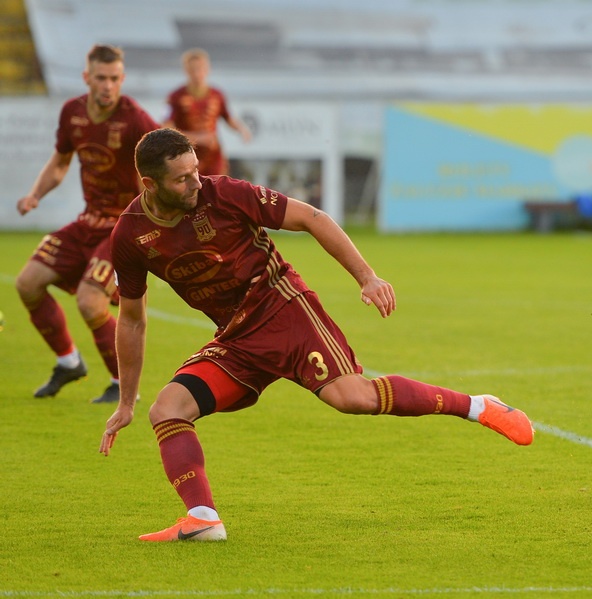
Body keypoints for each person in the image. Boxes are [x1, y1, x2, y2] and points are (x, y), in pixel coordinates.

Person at [98, 128, 534, 541]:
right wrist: (125, 400)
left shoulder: (224, 193)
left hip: (285, 311)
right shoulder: (131, 235)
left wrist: (367, 277)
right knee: (168, 409)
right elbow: (132, 318)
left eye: (196, 170)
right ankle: (203, 519)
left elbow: (311, 216)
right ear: (150, 184)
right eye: (183, 178)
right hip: (236, 339)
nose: (196, 181)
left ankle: (478, 405)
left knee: (354, 398)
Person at [15, 44, 159, 404]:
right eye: (101, 78)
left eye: (114, 79)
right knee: (28, 284)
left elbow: (160, 170)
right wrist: (36, 195)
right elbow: (61, 162)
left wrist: (155, 227)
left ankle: (123, 386)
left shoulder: (136, 120)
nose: (108, 86)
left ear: (122, 79)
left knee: (89, 302)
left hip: (122, 228)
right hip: (87, 222)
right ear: (87, 78)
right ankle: (68, 362)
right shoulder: (72, 112)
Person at [162, 48, 251, 176]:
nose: (197, 73)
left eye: (200, 68)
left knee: (216, 191)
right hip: (186, 156)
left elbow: (228, 118)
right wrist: (196, 138)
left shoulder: (217, 95)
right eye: (193, 69)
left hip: (213, 157)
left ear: (208, 69)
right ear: (186, 71)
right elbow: (165, 126)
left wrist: (242, 129)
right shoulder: (175, 97)